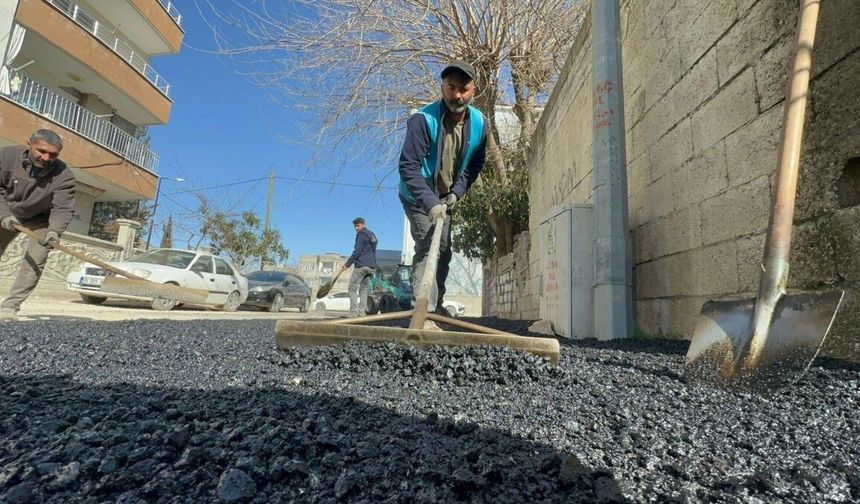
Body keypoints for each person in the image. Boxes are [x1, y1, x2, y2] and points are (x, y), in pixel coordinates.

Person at [398, 60, 487, 327]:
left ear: (473, 91)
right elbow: (408, 167)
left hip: (446, 198)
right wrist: (430, 202)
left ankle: (435, 309)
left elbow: (475, 164)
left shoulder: (479, 123)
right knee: (428, 247)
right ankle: (422, 312)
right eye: (451, 87)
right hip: (418, 196)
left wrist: (456, 193)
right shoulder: (423, 120)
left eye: (463, 89)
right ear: (443, 87)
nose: (456, 95)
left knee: (444, 251)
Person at [0, 129, 76, 320]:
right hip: (7, 211)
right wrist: (4, 215)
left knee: (36, 258)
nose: (46, 157)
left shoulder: (64, 176)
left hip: (40, 219)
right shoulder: (6, 157)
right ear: (29, 144)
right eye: (41, 151)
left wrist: (54, 231)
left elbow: (63, 208)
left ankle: (10, 306)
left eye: (53, 154)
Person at [341, 217, 377, 317]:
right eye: (355, 226)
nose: (356, 228)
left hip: (361, 266)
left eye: (358, 226)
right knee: (364, 289)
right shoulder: (372, 234)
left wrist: (347, 264)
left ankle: (353, 312)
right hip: (371, 267)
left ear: (363, 224)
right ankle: (362, 312)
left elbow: (357, 252)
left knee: (352, 287)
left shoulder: (361, 235)